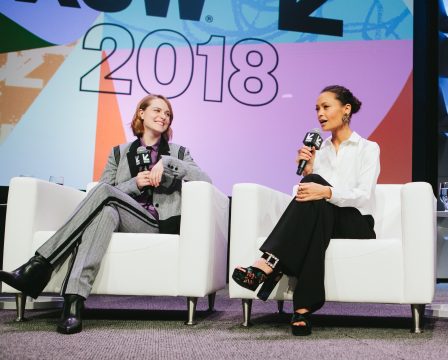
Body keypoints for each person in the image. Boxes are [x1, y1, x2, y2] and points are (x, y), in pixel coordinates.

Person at [0, 94, 211, 334]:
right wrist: (135, 184)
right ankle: (73, 303)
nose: (163, 116)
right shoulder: (118, 154)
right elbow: (103, 191)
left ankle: (40, 265)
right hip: (122, 217)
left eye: (168, 114)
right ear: (141, 113)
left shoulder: (179, 152)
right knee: (106, 210)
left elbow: (205, 179)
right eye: (157, 110)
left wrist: (169, 163)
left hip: (155, 222)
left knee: (105, 198)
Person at [232, 85, 380, 336]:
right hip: (324, 223)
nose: (320, 114)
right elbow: (306, 203)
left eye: (325, 107)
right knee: (314, 196)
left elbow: (363, 195)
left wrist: (325, 191)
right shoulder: (318, 152)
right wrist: (309, 172)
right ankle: (302, 310)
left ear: (346, 109)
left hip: (357, 224)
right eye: (316, 109)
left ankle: (268, 263)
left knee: (318, 186)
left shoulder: (368, 148)